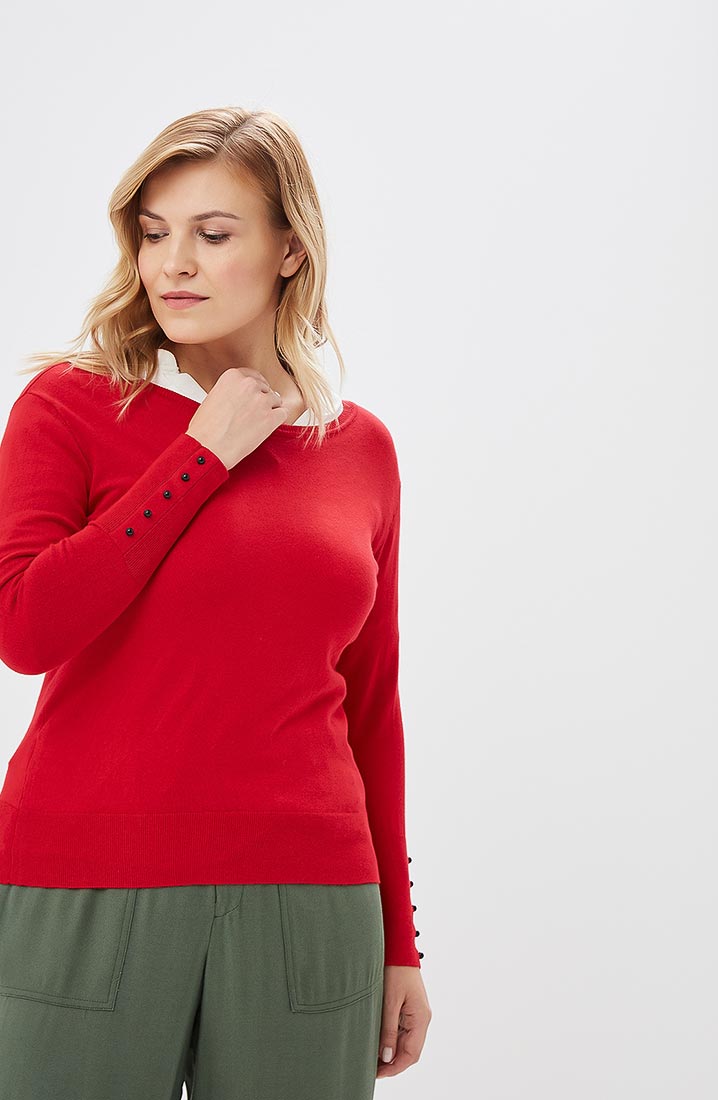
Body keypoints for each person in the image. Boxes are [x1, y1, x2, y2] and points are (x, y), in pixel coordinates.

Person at [0, 106, 432, 1100]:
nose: (174, 264)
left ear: (290, 249)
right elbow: (24, 627)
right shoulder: (69, 405)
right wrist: (201, 455)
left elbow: (373, 705)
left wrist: (399, 940)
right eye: (154, 233)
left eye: (214, 233)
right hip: (84, 880)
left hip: (311, 895)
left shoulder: (359, 448)